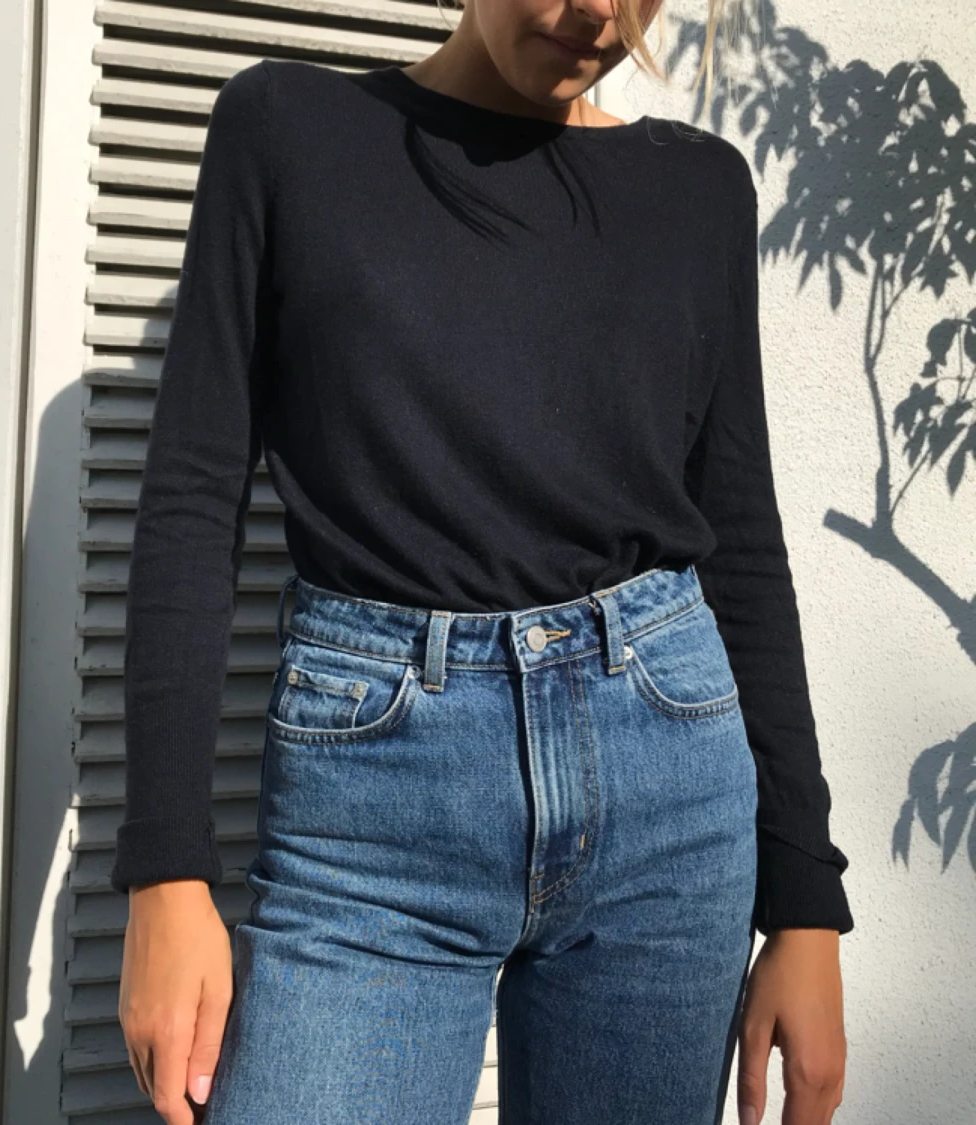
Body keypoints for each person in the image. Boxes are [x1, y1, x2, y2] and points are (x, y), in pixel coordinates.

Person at [111, 1, 854, 1123]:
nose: (595, 11)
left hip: (667, 792)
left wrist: (803, 898)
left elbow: (739, 539)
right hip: (371, 822)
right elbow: (191, 498)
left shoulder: (699, 188)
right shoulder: (288, 131)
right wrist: (166, 872)